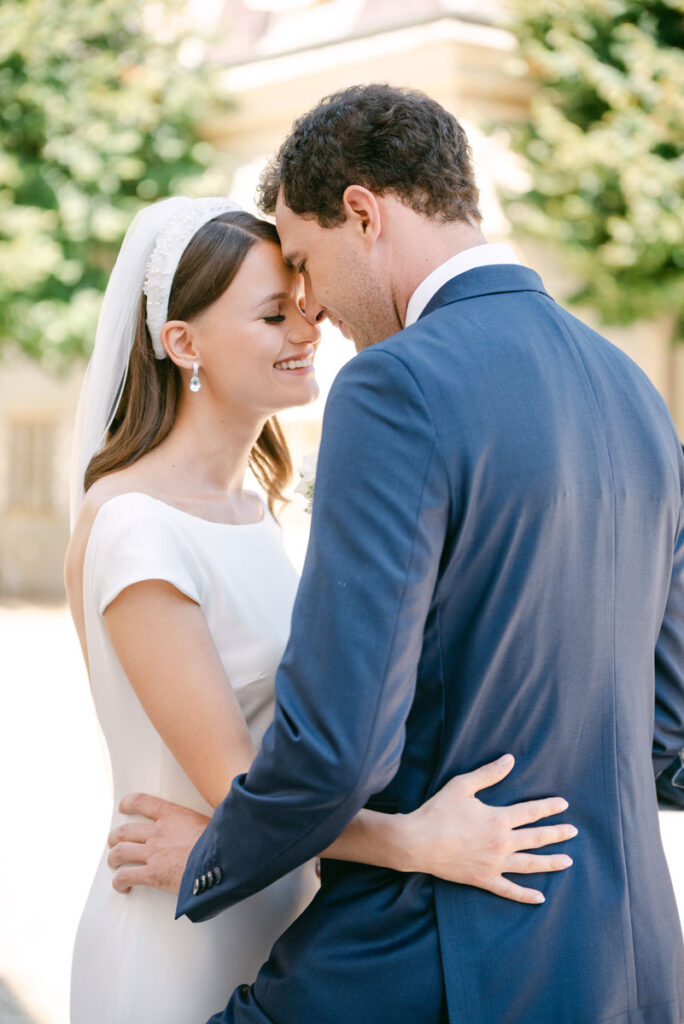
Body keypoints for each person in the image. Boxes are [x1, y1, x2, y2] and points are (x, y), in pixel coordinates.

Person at [110, 84, 684, 1023]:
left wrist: (218, 847)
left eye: (303, 261)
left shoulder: (397, 387)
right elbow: (670, 731)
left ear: (364, 213)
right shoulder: (632, 390)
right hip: (628, 965)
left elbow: (338, 751)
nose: (313, 306)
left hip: (429, 963)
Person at [65, 195, 577, 1024]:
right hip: (178, 935)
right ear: (182, 343)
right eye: (273, 317)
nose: (308, 333)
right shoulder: (135, 527)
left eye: (303, 307)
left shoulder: (253, 510)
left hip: (281, 923)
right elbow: (241, 783)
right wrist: (421, 843)